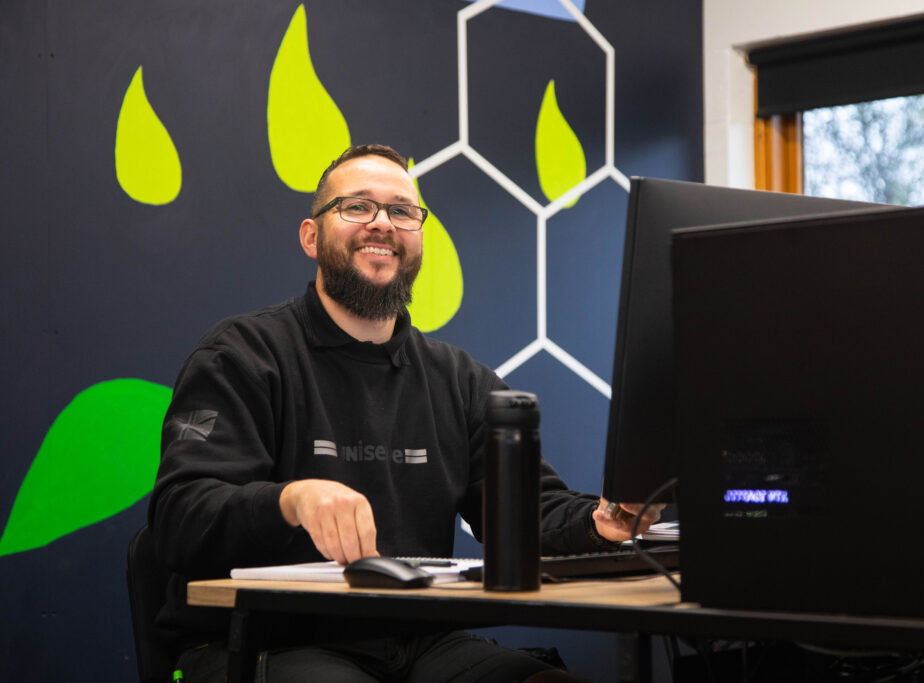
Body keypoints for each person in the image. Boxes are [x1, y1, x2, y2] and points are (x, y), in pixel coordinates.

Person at [149, 144, 662, 682]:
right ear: (310, 236)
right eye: (357, 207)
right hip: (268, 642)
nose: (382, 224)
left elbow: (524, 515)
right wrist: (290, 499)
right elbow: (182, 518)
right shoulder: (242, 357)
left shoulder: (461, 381)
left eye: (401, 211)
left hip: (424, 642)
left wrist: (601, 524)